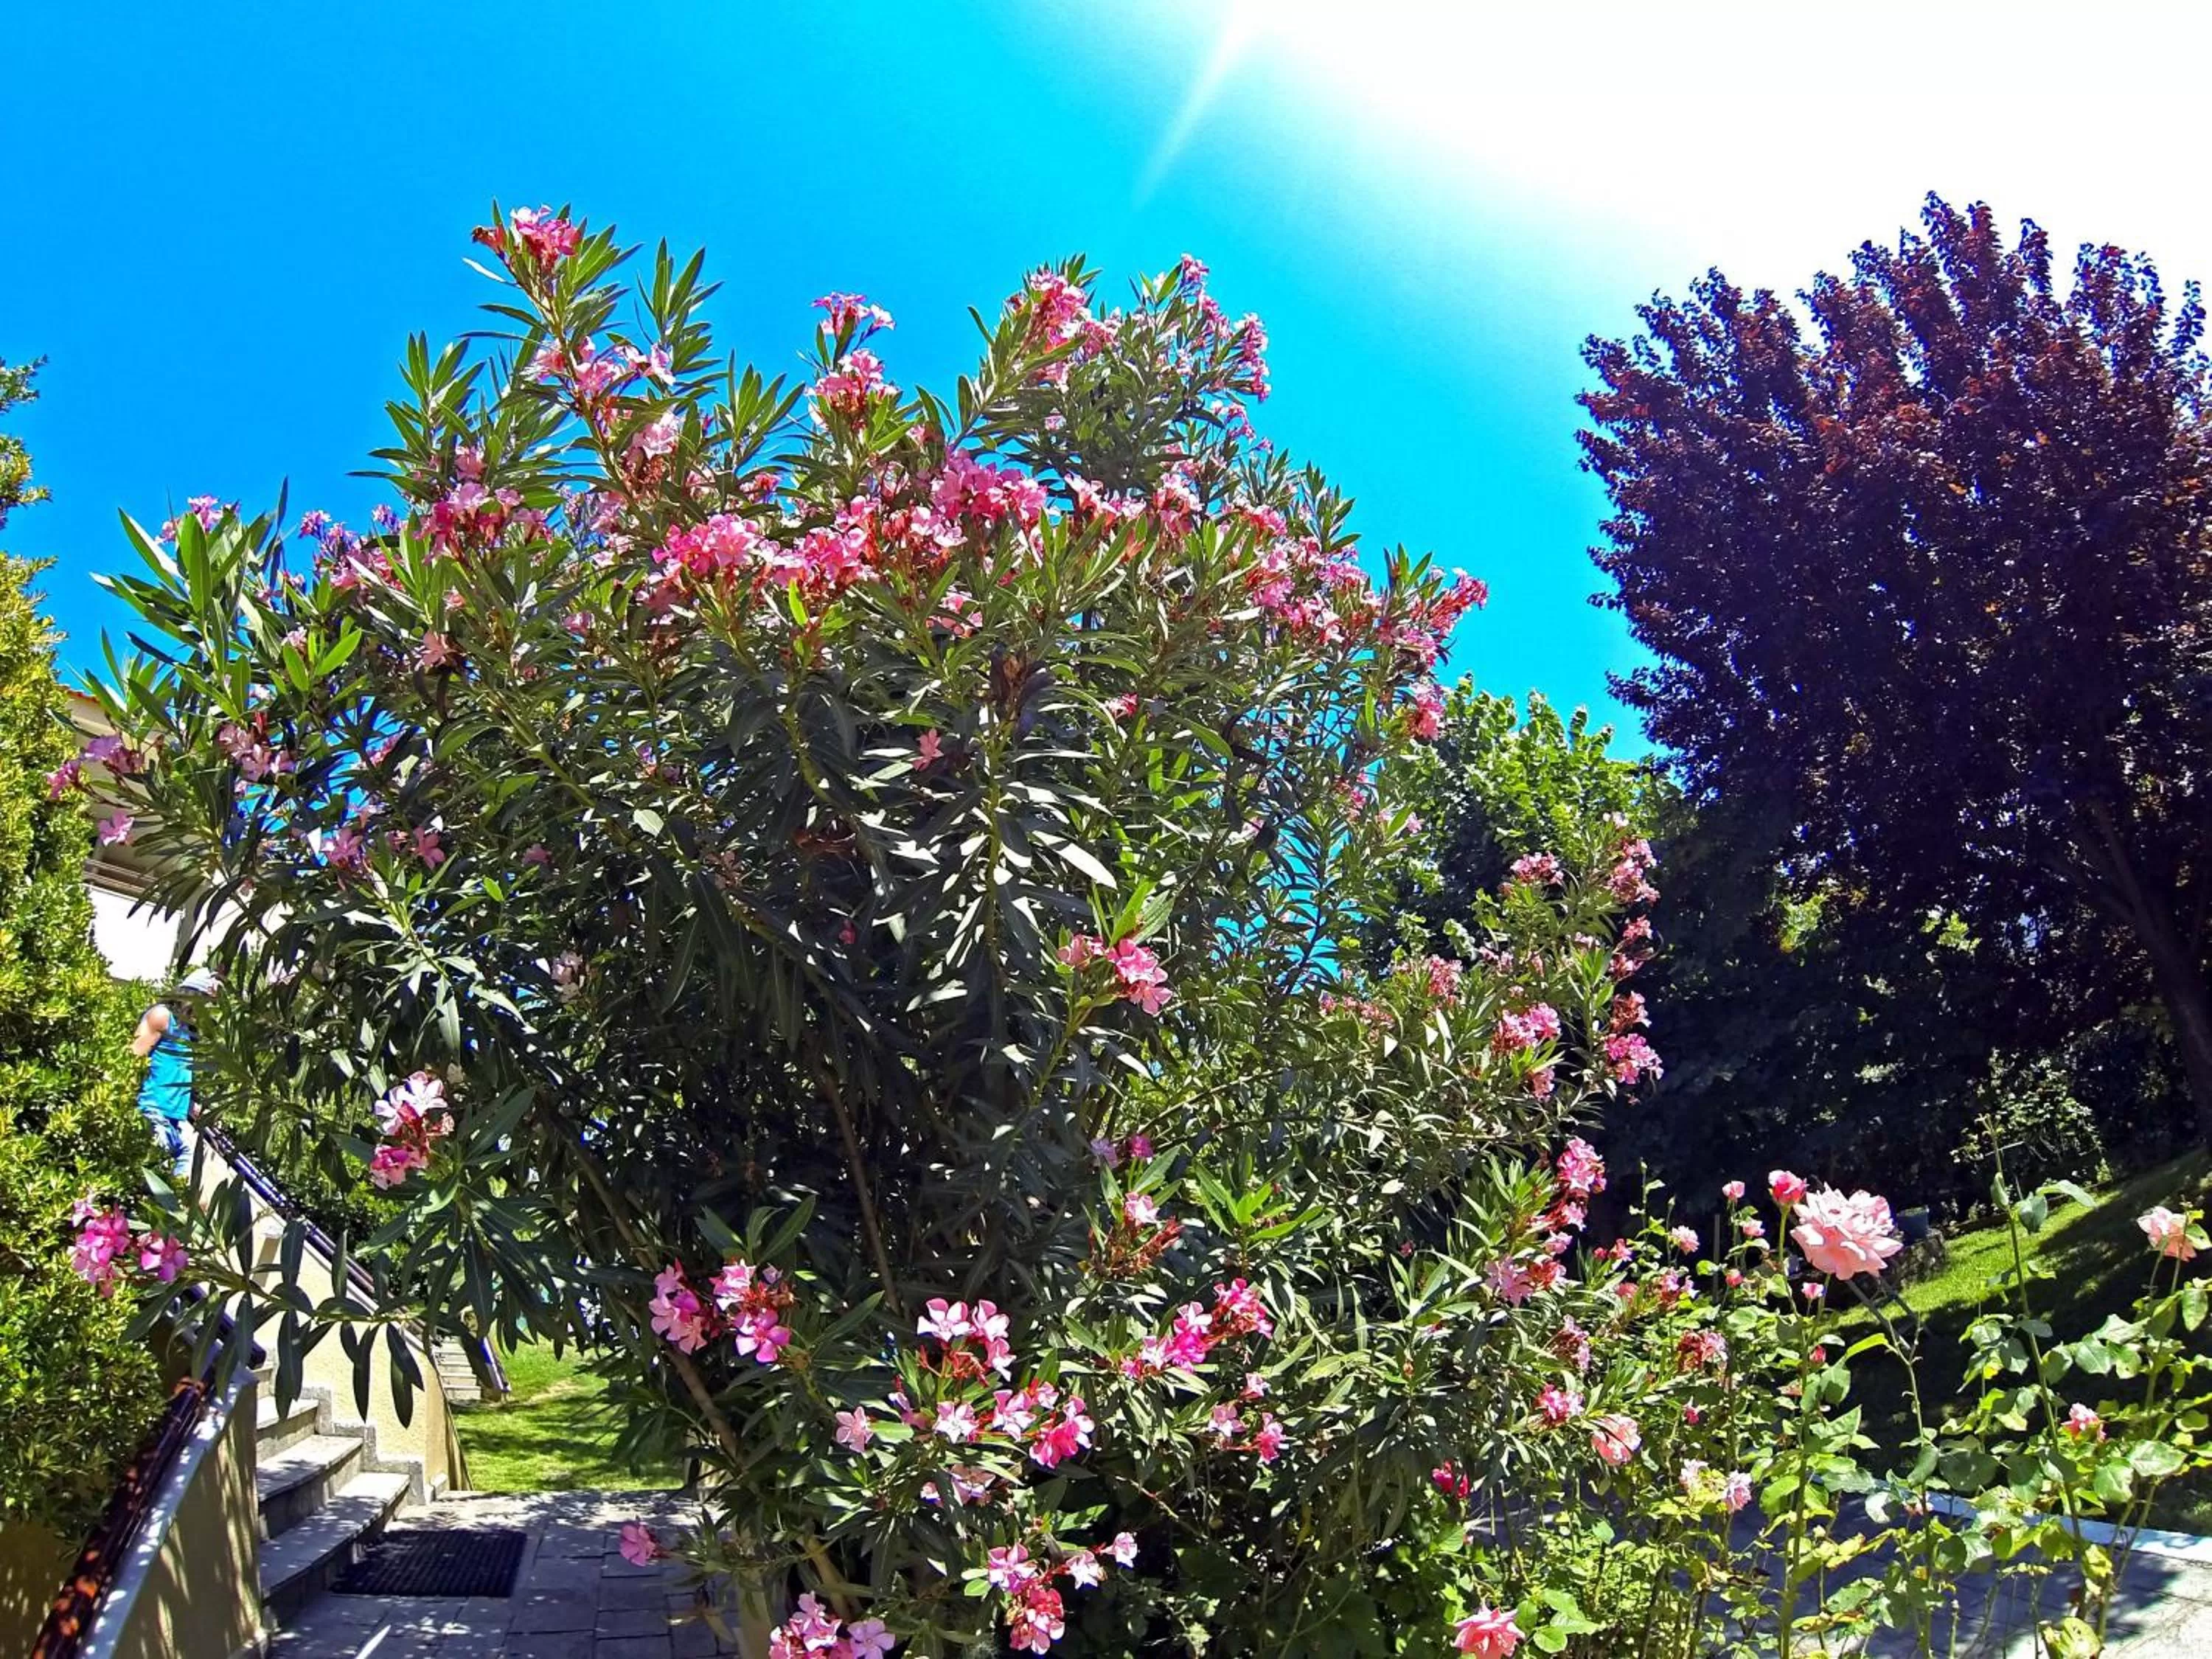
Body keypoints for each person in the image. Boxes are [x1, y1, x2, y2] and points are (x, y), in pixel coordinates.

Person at [132, 968, 218, 1178]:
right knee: (152, 1177)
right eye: (207, 1003)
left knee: (182, 1164)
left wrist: (191, 1106)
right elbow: (133, 1059)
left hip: (173, 1119)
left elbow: (175, 1074)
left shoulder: (188, 1034)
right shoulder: (162, 1016)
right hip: (153, 1110)